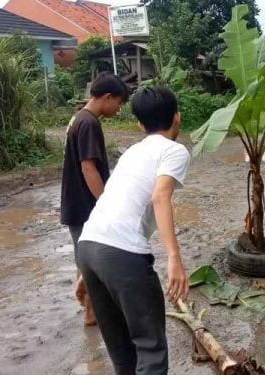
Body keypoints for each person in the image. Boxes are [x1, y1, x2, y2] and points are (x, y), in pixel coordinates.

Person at [76, 86, 190, 375]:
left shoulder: (132, 152)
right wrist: (175, 259)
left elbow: (111, 203)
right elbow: (160, 196)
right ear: (177, 118)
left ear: (140, 124)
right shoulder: (174, 151)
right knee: (150, 348)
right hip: (121, 255)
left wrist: (85, 270)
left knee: (122, 351)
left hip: (89, 248)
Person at [60, 72, 129, 326]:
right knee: (89, 260)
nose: (118, 110)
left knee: (83, 256)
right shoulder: (88, 123)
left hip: (75, 201)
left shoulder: (79, 117)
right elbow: (89, 168)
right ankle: (90, 311)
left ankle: (91, 308)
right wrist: (105, 204)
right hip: (84, 204)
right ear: (107, 97)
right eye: (119, 103)